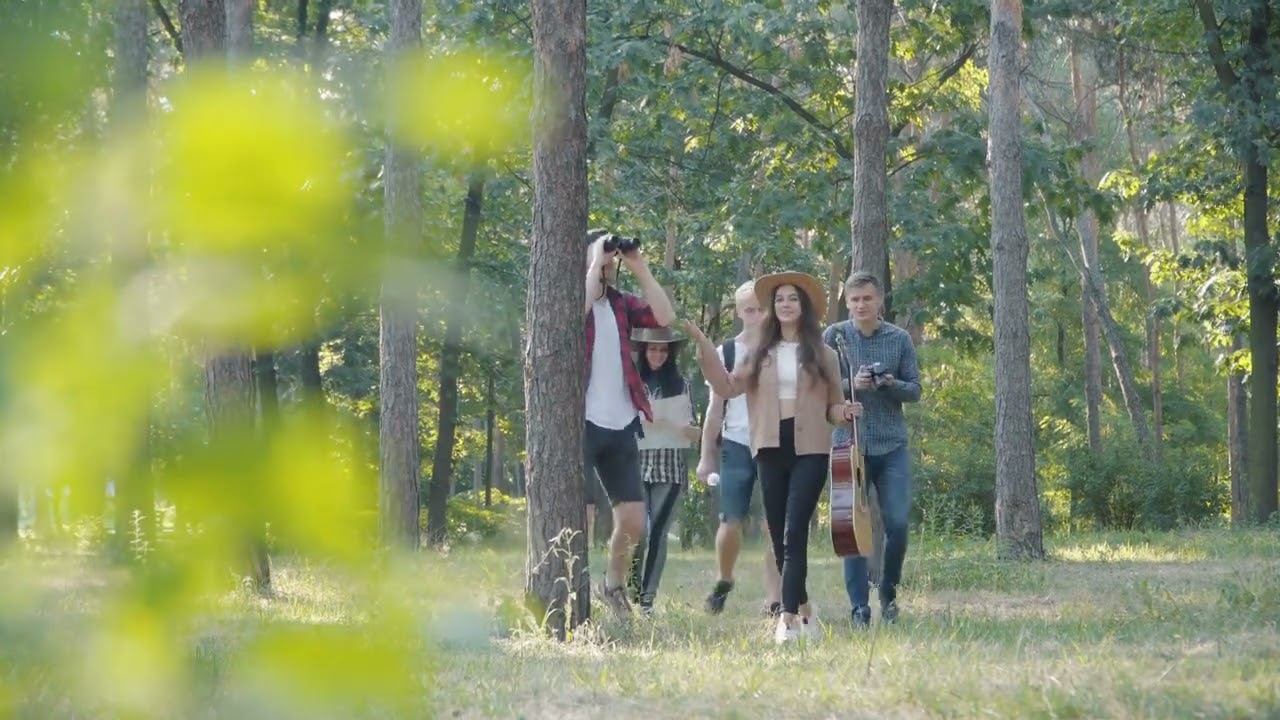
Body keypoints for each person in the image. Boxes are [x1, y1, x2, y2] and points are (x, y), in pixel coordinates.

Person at [685, 271, 860, 644]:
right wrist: (703, 345)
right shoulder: (758, 353)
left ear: (804, 306)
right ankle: (807, 608)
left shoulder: (823, 354)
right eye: (779, 299)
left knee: (794, 530)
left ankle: (788, 617)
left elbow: (832, 407)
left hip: (810, 447)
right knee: (780, 534)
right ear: (771, 307)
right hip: (767, 446)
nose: (785, 304)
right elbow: (728, 386)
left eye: (792, 299)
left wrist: (844, 412)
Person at [582, 228, 677, 619]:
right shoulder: (574, 294)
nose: (609, 261)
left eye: (611, 256)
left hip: (621, 421)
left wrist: (639, 266)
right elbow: (581, 306)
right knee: (580, 515)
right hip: (582, 420)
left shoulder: (622, 304)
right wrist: (594, 261)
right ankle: (574, 590)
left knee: (635, 521)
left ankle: (613, 587)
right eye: (604, 253)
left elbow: (666, 318)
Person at [822, 271, 921, 628]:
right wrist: (854, 385)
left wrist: (890, 383)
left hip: (891, 444)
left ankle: (889, 595)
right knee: (851, 527)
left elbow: (915, 390)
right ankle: (858, 608)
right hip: (849, 445)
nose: (861, 305)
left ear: (879, 300)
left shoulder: (899, 339)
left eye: (867, 298)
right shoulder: (833, 337)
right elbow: (819, 389)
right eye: (854, 300)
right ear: (847, 303)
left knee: (897, 522)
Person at [697, 281, 782, 616]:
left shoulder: (784, 349)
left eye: (762, 309)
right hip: (736, 444)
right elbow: (715, 409)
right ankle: (725, 578)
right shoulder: (726, 353)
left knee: (775, 525)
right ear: (739, 312)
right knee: (730, 522)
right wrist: (706, 456)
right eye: (749, 309)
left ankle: (774, 598)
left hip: (776, 445)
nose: (757, 315)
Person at [626, 327, 700, 616]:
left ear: (670, 354)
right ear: (644, 351)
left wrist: (681, 428)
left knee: (658, 533)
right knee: (637, 531)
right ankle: (630, 592)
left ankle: (647, 600)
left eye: (663, 350)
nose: (657, 354)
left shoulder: (680, 384)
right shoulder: (632, 383)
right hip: (634, 465)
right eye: (652, 349)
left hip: (669, 470)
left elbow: (693, 430)